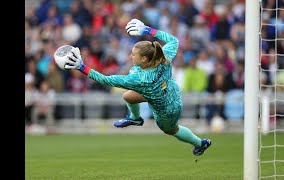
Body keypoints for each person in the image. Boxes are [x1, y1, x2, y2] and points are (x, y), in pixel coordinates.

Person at [64, 19, 212, 156]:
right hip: (170, 91)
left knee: (172, 130)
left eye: (133, 54)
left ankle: (200, 143)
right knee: (128, 96)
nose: (130, 56)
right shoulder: (163, 57)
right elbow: (174, 40)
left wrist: (81, 67)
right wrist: (147, 30)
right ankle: (135, 118)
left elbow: (105, 79)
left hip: (166, 109)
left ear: (144, 59)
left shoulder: (139, 78)